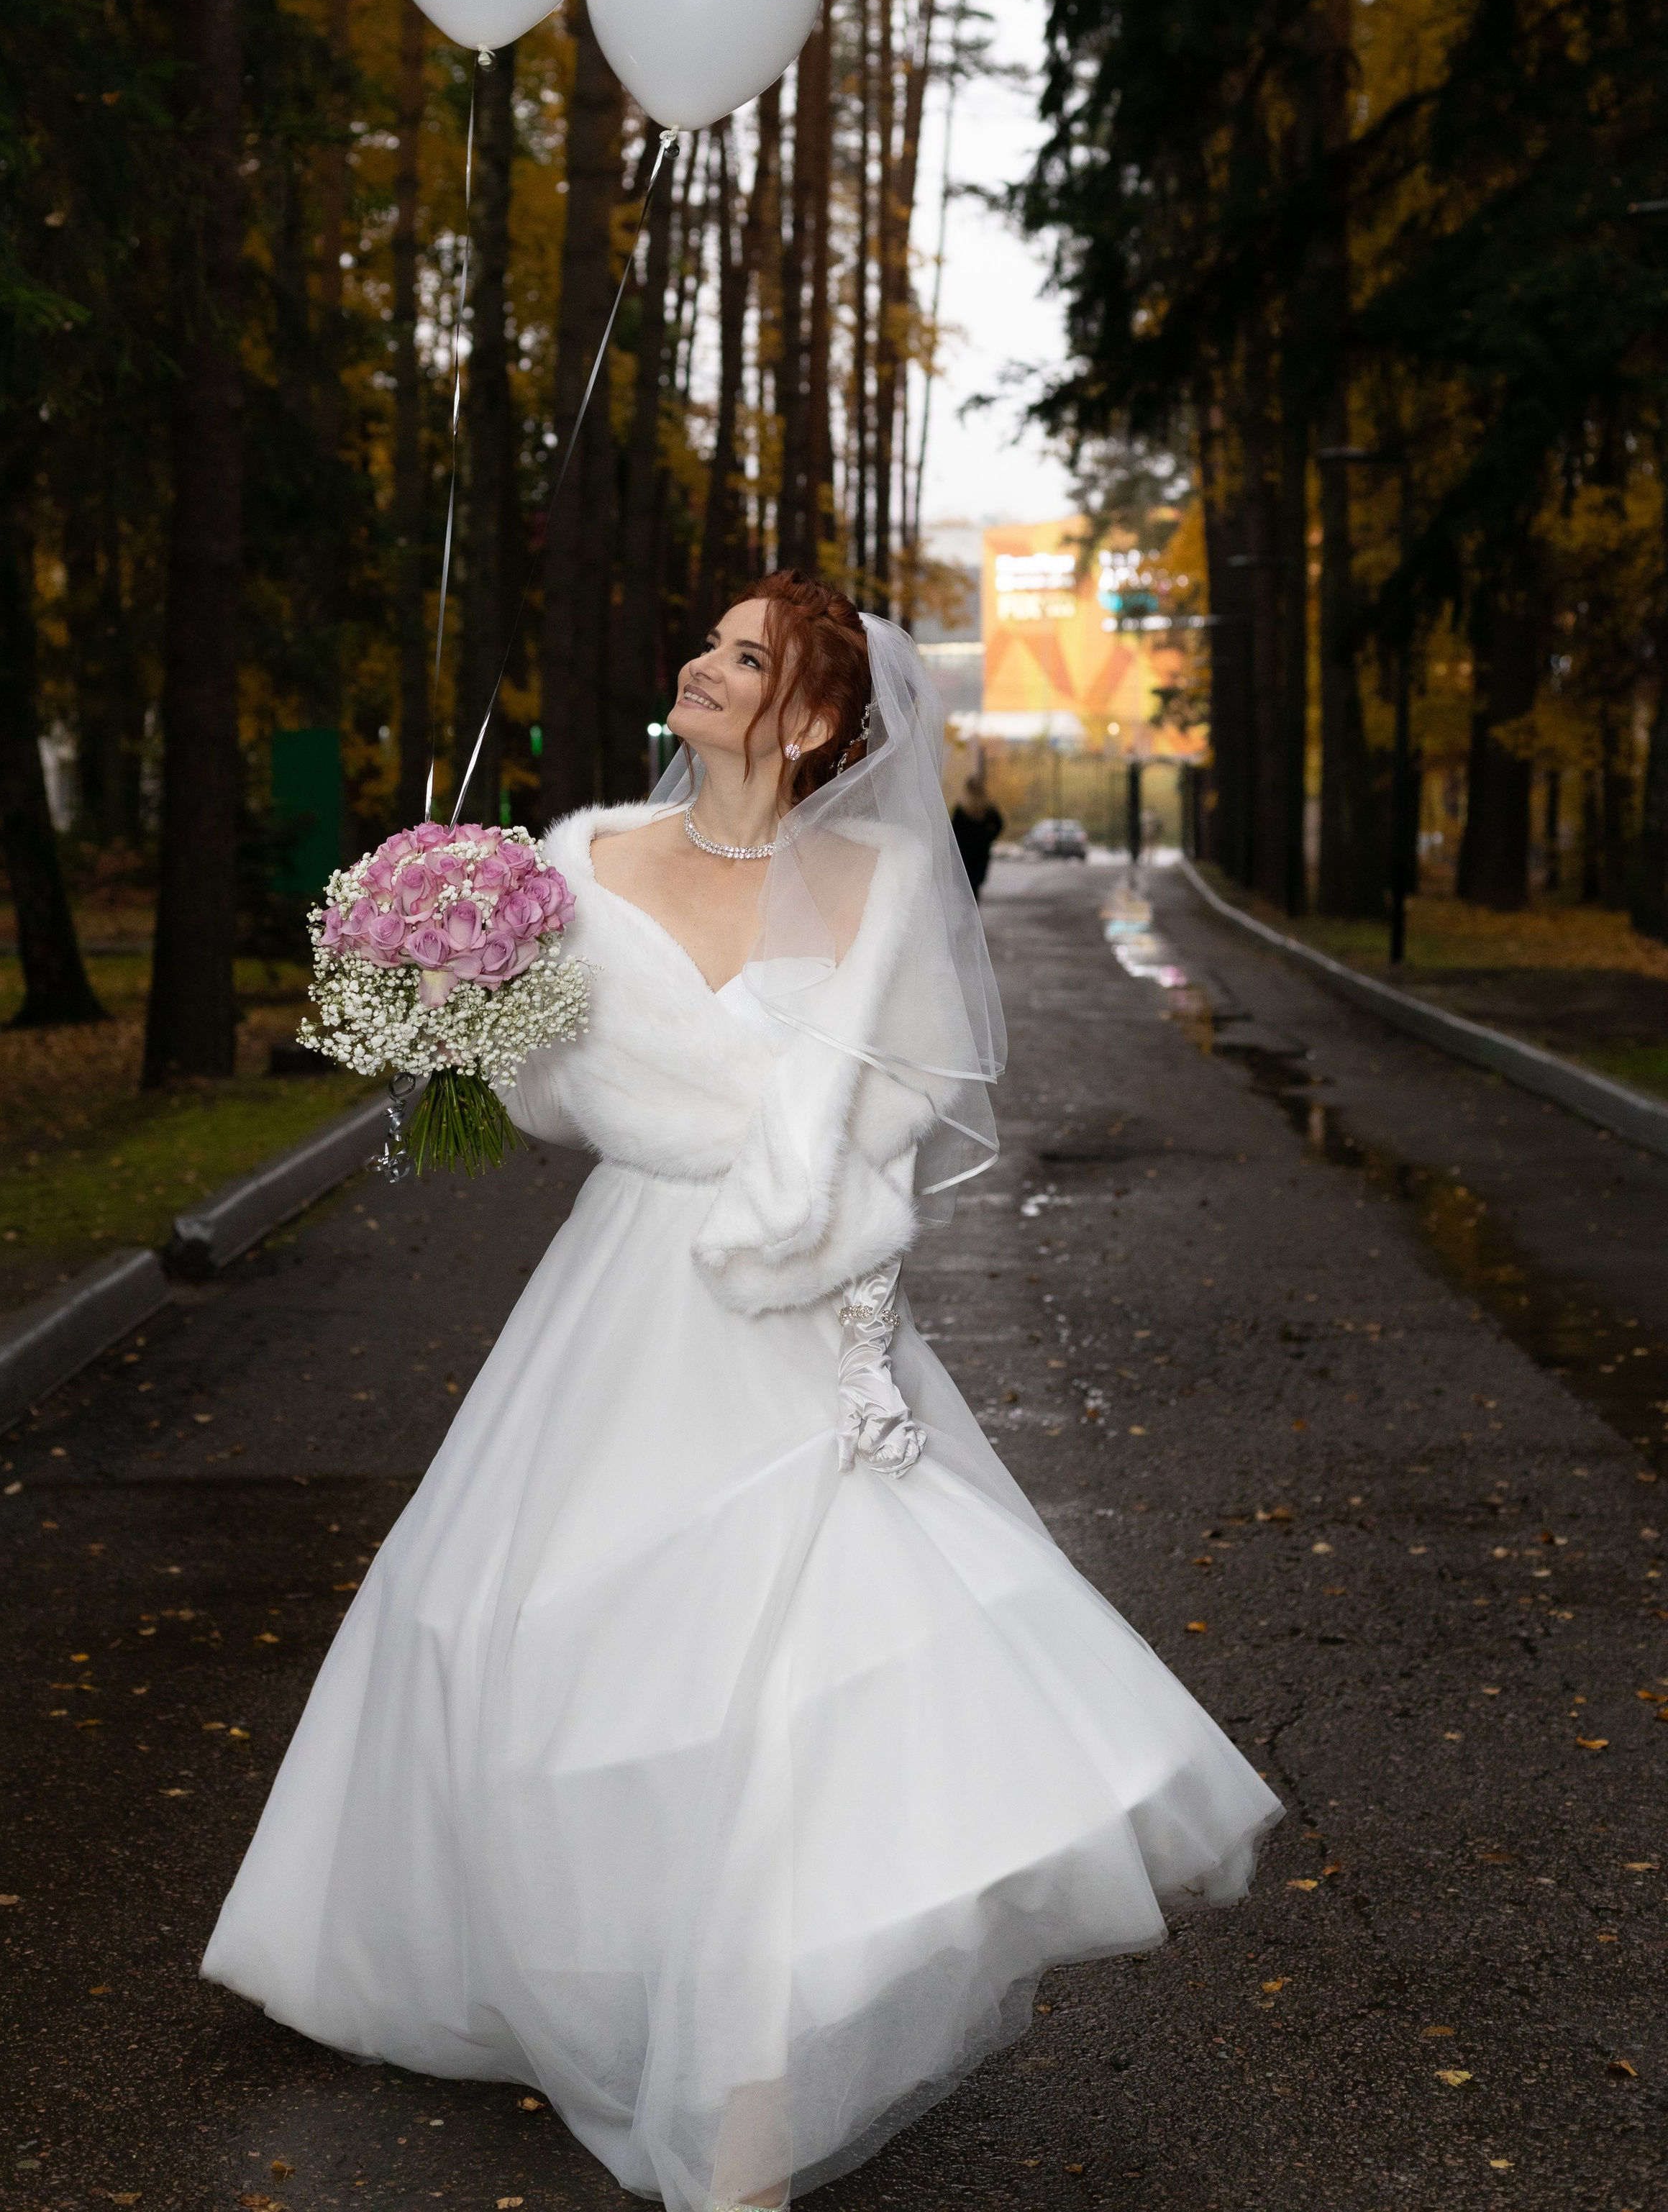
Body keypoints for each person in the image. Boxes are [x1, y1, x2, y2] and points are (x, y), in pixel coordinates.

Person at [201, 570, 1280, 2212]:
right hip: (630, 1296)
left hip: (803, 1307)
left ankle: (746, 2122)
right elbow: (548, 1100)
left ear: (820, 714)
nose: (704, 666)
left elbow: (898, 1114)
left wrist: (847, 1293)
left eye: (747, 655)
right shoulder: (578, 864)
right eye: (707, 642)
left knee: (811, 1672)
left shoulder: (885, 879)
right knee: (558, 1642)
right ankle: (601, 1961)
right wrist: (446, 997)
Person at [950, 773, 1004, 894]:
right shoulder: (988, 807)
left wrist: (961, 842)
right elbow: (999, 825)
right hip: (981, 851)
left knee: (964, 885)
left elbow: (954, 830)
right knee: (975, 887)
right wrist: (988, 838)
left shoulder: (962, 808)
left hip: (965, 851)